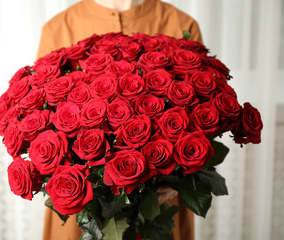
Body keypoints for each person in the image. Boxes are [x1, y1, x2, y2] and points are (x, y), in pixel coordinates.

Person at [36, 0, 203, 239]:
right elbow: (41, 124)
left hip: (158, 207)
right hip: (82, 207)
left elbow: (200, 120)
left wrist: (179, 181)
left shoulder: (181, 25)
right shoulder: (59, 28)